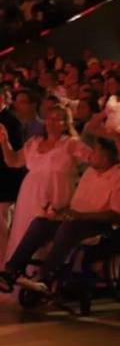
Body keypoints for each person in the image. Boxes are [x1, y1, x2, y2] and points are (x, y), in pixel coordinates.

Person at [0, 138, 120, 294]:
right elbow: (76, 204)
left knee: (69, 228)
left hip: (96, 224)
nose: (91, 155)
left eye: (95, 152)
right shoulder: (89, 173)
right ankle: (11, 270)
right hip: (77, 219)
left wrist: (81, 216)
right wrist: (60, 212)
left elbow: (116, 214)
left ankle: (46, 277)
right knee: (40, 223)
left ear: (105, 156)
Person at [0, 105, 92, 264]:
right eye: (50, 118)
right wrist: (4, 141)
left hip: (56, 194)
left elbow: (94, 160)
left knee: (46, 238)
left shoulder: (70, 144)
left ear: (66, 123)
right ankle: (17, 274)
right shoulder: (34, 143)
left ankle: (44, 276)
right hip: (30, 195)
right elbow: (13, 161)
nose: (52, 122)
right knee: (24, 232)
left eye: (58, 119)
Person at [0, 85, 25, 261]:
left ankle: (3, 268)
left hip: (5, 184)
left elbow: (14, 156)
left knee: (1, 228)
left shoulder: (11, 122)